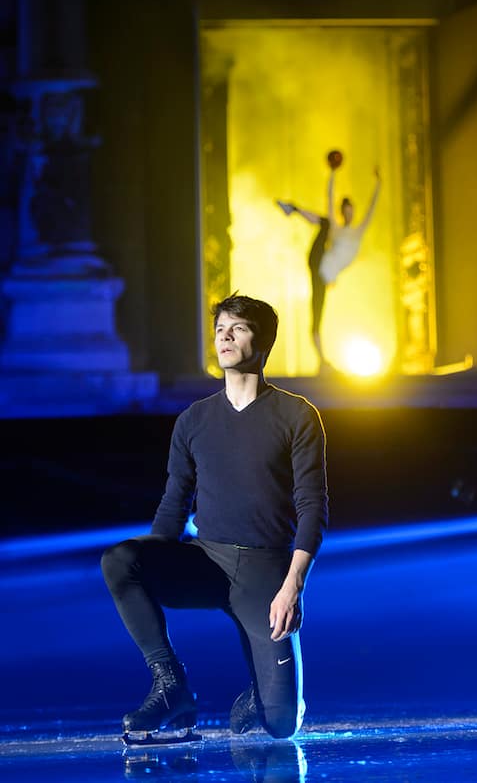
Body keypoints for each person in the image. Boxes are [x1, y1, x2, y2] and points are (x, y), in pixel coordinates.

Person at [101, 294, 329, 740]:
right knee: (120, 560)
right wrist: (154, 563)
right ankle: (171, 686)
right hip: (207, 561)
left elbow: (313, 507)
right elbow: (174, 505)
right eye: (220, 329)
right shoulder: (194, 420)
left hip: (265, 573)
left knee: (281, 726)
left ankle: (259, 696)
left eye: (237, 328)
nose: (224, 336)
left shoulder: (297, 416)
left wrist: (292, 587)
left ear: (264, 342)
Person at [277, 157, 381, 372]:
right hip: (318, 262)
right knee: (325, 222)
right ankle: (292, 208)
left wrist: (379, 183)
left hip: (323, 275)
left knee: (317, 314)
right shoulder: (336, 229)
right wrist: (333, 173)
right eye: (346, 210)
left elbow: (372, 207)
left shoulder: (358, 232)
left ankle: (322, 361)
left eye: (351, 210)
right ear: (343, 212)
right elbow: (329, 198)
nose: (349, 213)